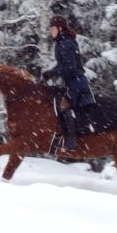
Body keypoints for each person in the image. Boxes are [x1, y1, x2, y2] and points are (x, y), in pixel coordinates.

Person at [39, 15, 95, 152]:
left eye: (52, 28)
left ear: (60, 29)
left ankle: (71, 142)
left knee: (63, 106)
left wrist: (52, 73)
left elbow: (70, 67)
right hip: (71, 82)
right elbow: (62, 65)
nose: (51, 31)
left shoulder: (66, 43)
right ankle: (60, 138)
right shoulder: (62, 42)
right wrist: (51, 73)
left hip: (76, 83)